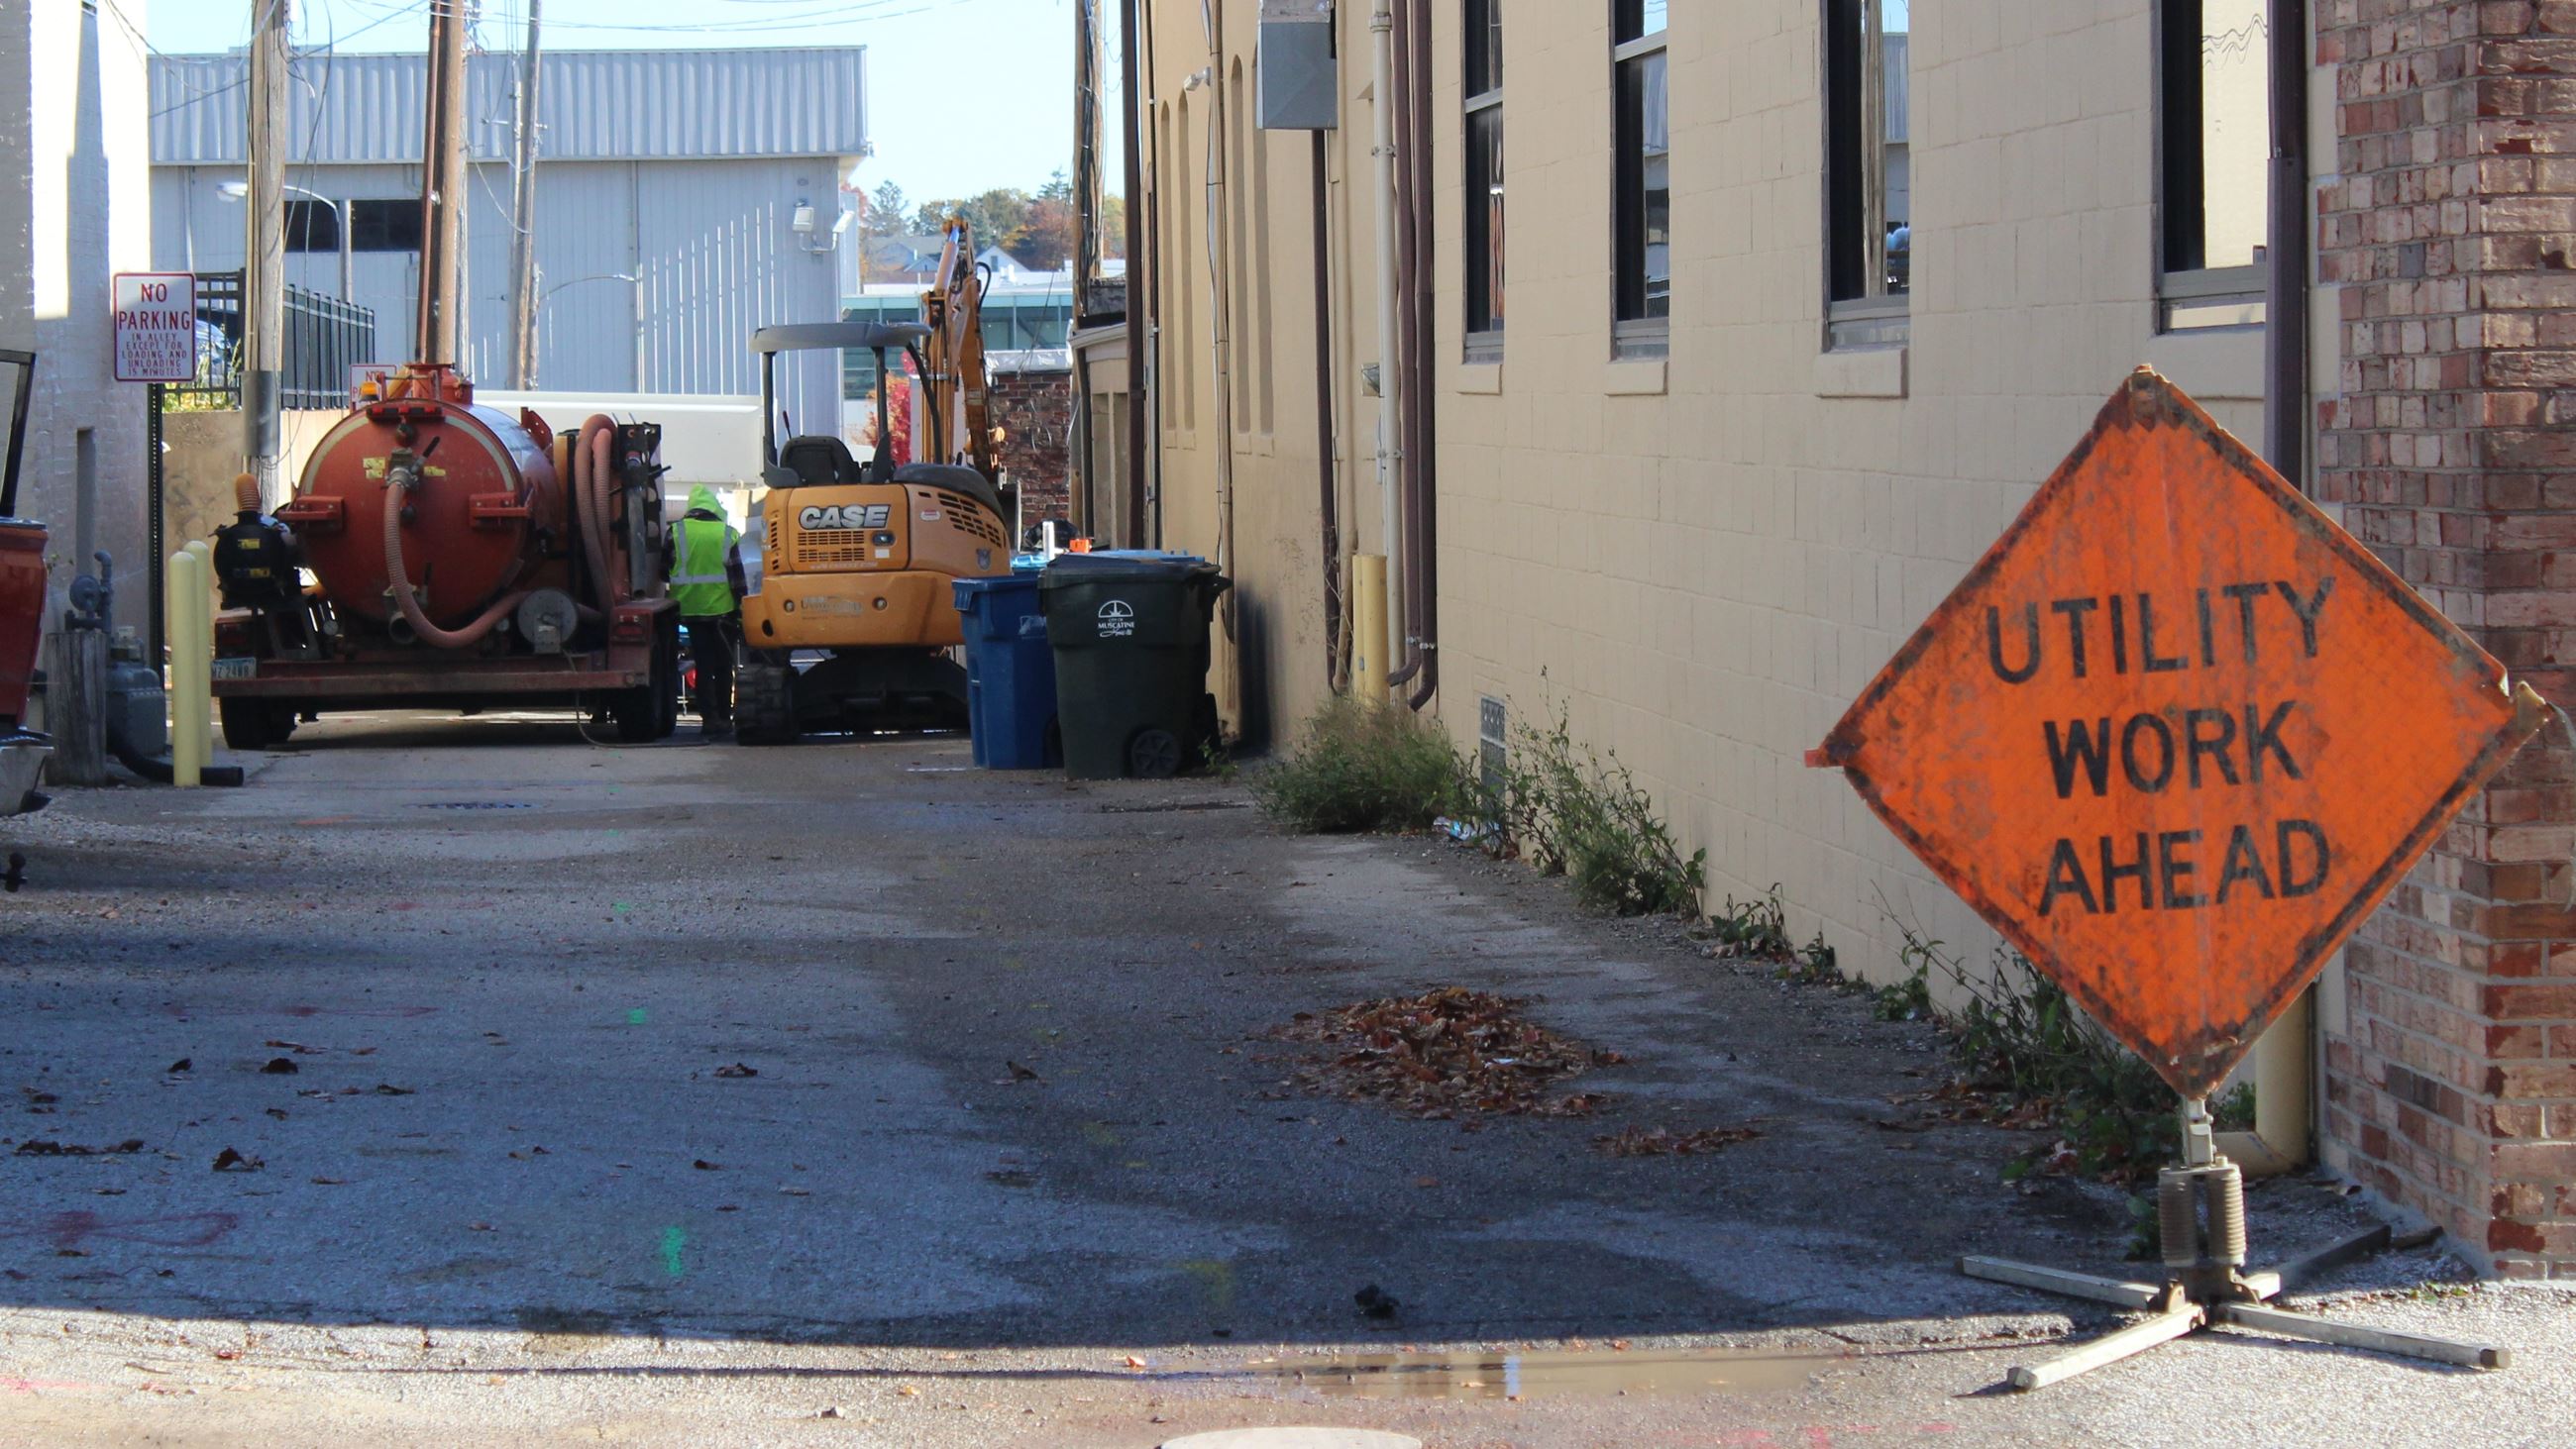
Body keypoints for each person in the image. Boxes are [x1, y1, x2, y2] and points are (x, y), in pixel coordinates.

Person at [667, 484, 741, 736]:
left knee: (703, 664)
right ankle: (724, 718)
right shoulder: (727, 533)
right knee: (724, 666)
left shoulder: (676, 532)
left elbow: (663, 570)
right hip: (723, 612)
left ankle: (708, 720)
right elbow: (737, 579)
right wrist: (742, 609)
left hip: (692, 610)